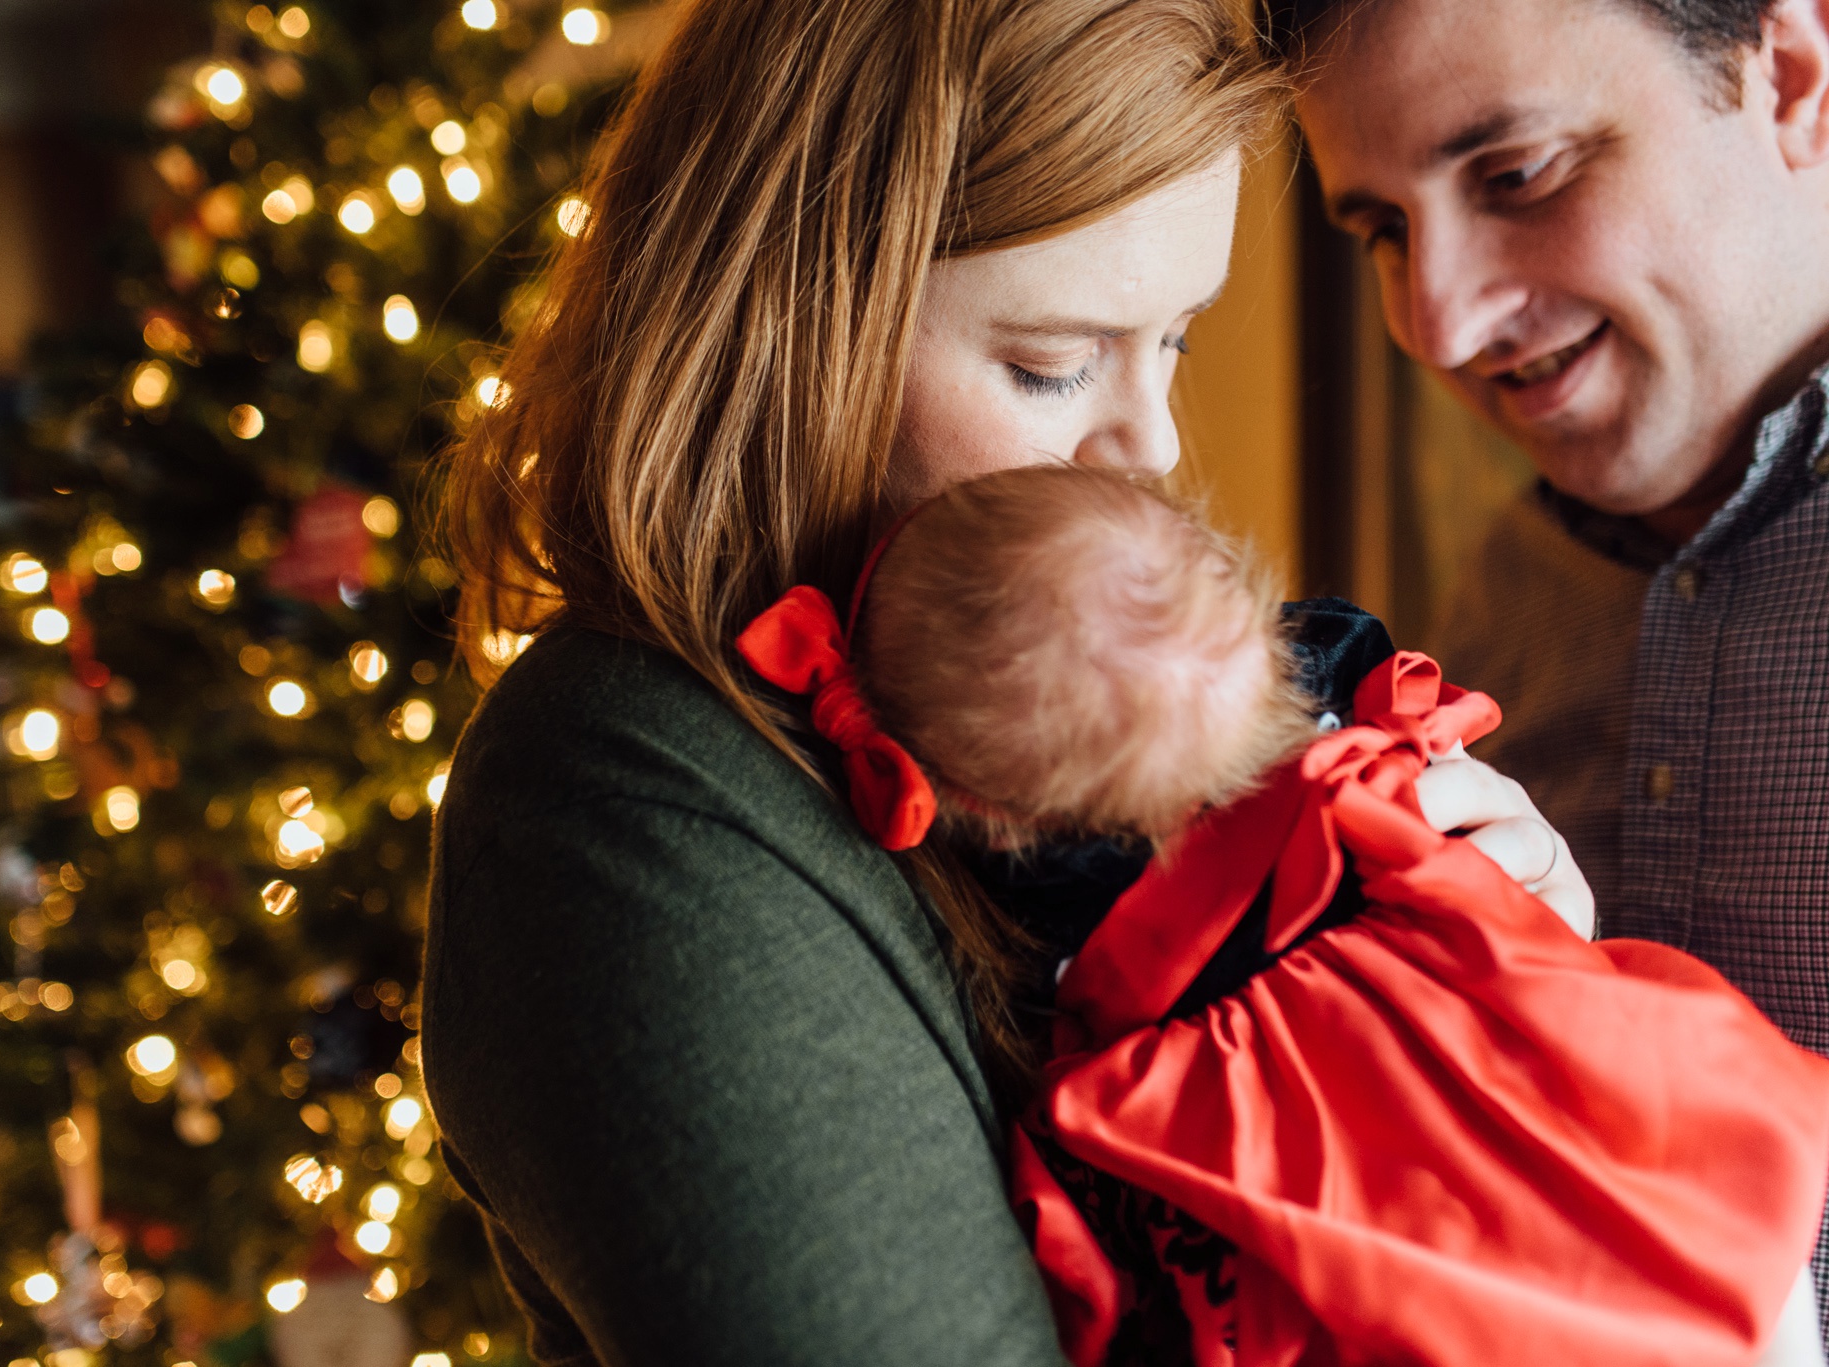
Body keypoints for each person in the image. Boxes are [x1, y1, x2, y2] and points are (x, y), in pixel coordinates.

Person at [424, 3, 1580, 1363]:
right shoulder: (629, 793)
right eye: (1055, 362)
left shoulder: (1075, 708)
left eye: (1179, 341)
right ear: (798, 318)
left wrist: (1501, 955)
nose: (1148, 441)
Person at [753, 462, 1826, 1366]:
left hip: (1358, 1205)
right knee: (1721, 1213)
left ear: (981, 810)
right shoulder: (1366, 748)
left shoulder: (1060, 951)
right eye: (1053, 364)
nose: (1152, 433)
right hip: (1600, 1156)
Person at [1273, 0, 1829, 1330]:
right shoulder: (1479, 622)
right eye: (1383, 232)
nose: (1439, 323)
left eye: (1516, 175)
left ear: (1791, 77)